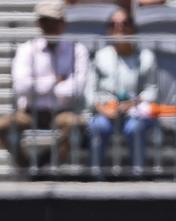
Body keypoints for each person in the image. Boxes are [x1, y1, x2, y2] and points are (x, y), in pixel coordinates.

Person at [0, 0, 88, 169]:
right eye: (45, 21)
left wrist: (38, 86)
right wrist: (55, 82)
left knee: (77, 124)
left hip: (62, 112)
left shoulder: (77, 50)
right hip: (30, 112)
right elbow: (21, 87)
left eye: (55, 21)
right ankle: (27, 166)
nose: (50, 25)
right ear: (38, 23)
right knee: (2, 125)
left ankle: (45, 163)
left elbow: (76, 88)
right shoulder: (26, 49)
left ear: (64, 23)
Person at [85, 8, 157, 177]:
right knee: (98, 126)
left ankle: (137, 176)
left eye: (125, 23)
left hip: (135, 112)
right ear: (108, 30)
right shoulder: (100, 56)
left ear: (133, 28)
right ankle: (95, 177)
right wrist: (103, 109)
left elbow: (152, 91)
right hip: (106, 112)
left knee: (134, 128)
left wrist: (132, 104)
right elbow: (90, 92)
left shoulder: (146, 57)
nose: (120, 28)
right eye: (114, 24)